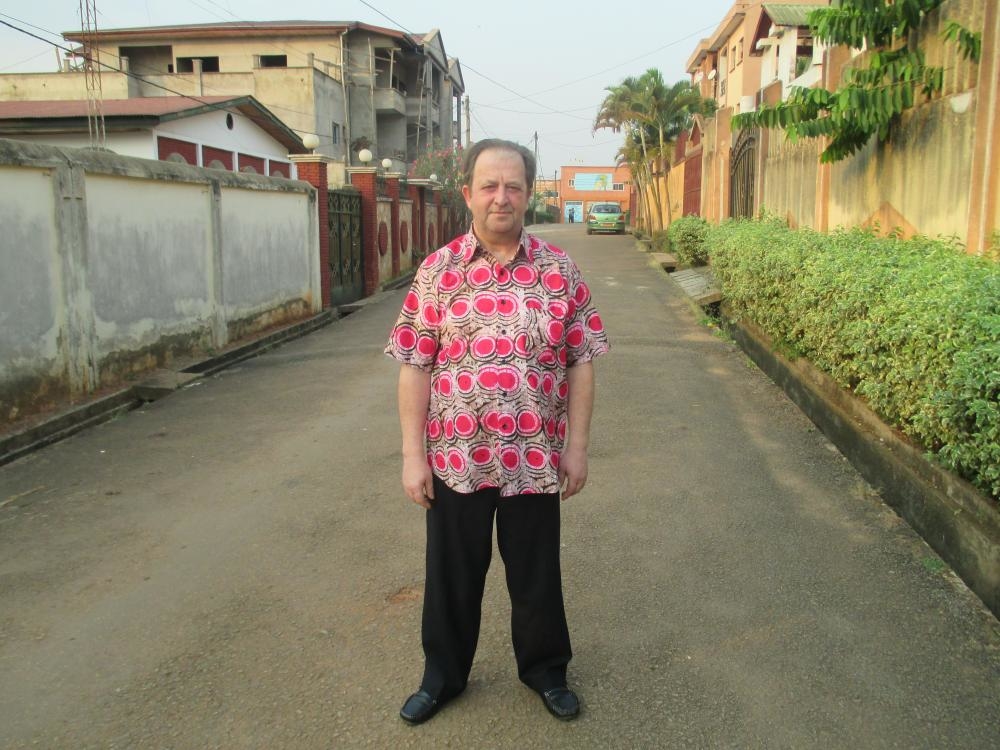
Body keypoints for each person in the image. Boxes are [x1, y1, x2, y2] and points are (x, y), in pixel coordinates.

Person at [385, 139, 610, 725]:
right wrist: (412, 456)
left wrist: (577, 447)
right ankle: (442, 677)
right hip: (457, 457)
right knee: (452, 576)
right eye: (489, 186)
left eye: (513, 186)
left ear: (529, 194)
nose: (501, 197)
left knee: (537, 574)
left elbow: (581, 359)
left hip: (535, 458)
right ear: (468, 193)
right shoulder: (438, 272)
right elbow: (414, 365)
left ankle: (546, 671)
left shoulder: (559, 271)